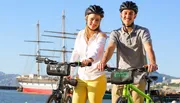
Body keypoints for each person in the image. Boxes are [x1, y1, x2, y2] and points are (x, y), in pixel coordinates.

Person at [97, 1, 158, 103]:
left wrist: (152, 63)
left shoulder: (142, 31)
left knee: (137, 100)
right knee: (116, 100)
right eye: (125, 13)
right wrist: (103, 62)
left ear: (135, 16)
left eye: (131, 13)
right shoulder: (115, 33)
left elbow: (148, 48)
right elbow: (110, 48)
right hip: (120, 74)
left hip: (139, 73)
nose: (127, 16)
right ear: (121, 15)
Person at [70, 5, 107, 103]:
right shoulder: (80, 34)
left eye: (97, 20)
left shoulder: (101, 35)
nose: (94, 22)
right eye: (92, 19)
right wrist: (70, 72)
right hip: (81, 77)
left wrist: (90, 60)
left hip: (96, 78)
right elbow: (76, 53)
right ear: (86, 18)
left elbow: (98, 50)